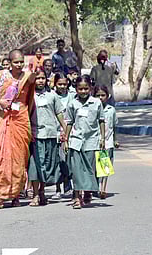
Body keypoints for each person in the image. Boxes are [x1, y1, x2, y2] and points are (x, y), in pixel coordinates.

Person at [0, 49, 36, 209]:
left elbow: (33, 85)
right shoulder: (2, 75)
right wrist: (1, 102)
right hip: (3, 118)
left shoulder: (27, 76)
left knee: (18, 159)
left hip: (20, 120)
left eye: (21, 62)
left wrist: (34, 72)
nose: (19, 65)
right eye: (16, 62)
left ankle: (15, 195)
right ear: (10, 63)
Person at [64, 75, 105, 209]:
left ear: (90, 88)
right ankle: (76, 196)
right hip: (76, 141)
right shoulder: (72, 103)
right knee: (76, 171)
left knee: (89, 169)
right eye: (80, 89)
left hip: (91, 141)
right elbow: (69, 122)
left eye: (86, 89)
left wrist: (102, 138)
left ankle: (88, 191)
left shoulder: (96, 103)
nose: (83, 91)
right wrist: (66, 139)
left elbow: (101, 120)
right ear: (76, 89)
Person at [28, 68, 67, 206]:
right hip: (35, 135)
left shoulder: (53, 95)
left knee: (47, 165)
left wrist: (64, 130)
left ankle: (43, 192)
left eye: (43, 78)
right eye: (37, 78)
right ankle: (35, 195)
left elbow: (59, 113)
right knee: (35, 166)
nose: (40, 81)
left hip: (50, 135)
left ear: (47, 80)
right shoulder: (29, 95)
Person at [52, 72, 74, 199]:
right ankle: (57, 188)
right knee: (57, 161)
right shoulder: (52, 96)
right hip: (55, 132)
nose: (62, 86)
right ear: (55, 84)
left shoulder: (72, 96)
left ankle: (68, 186)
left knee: (67, 160)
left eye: (65, 84)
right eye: (60, 84)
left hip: (69, 131)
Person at [94, 85, 118, 199]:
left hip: (107, 141)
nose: (100, 98)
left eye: (102, 95)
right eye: (97, 95)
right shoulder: (92, 108)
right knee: (94, 166)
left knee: (105, 166)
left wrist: (116, 139)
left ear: (107, 96)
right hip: (94, 142)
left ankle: (103, 189)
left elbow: (114, 126)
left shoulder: (111, 110)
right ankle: (94, 187)